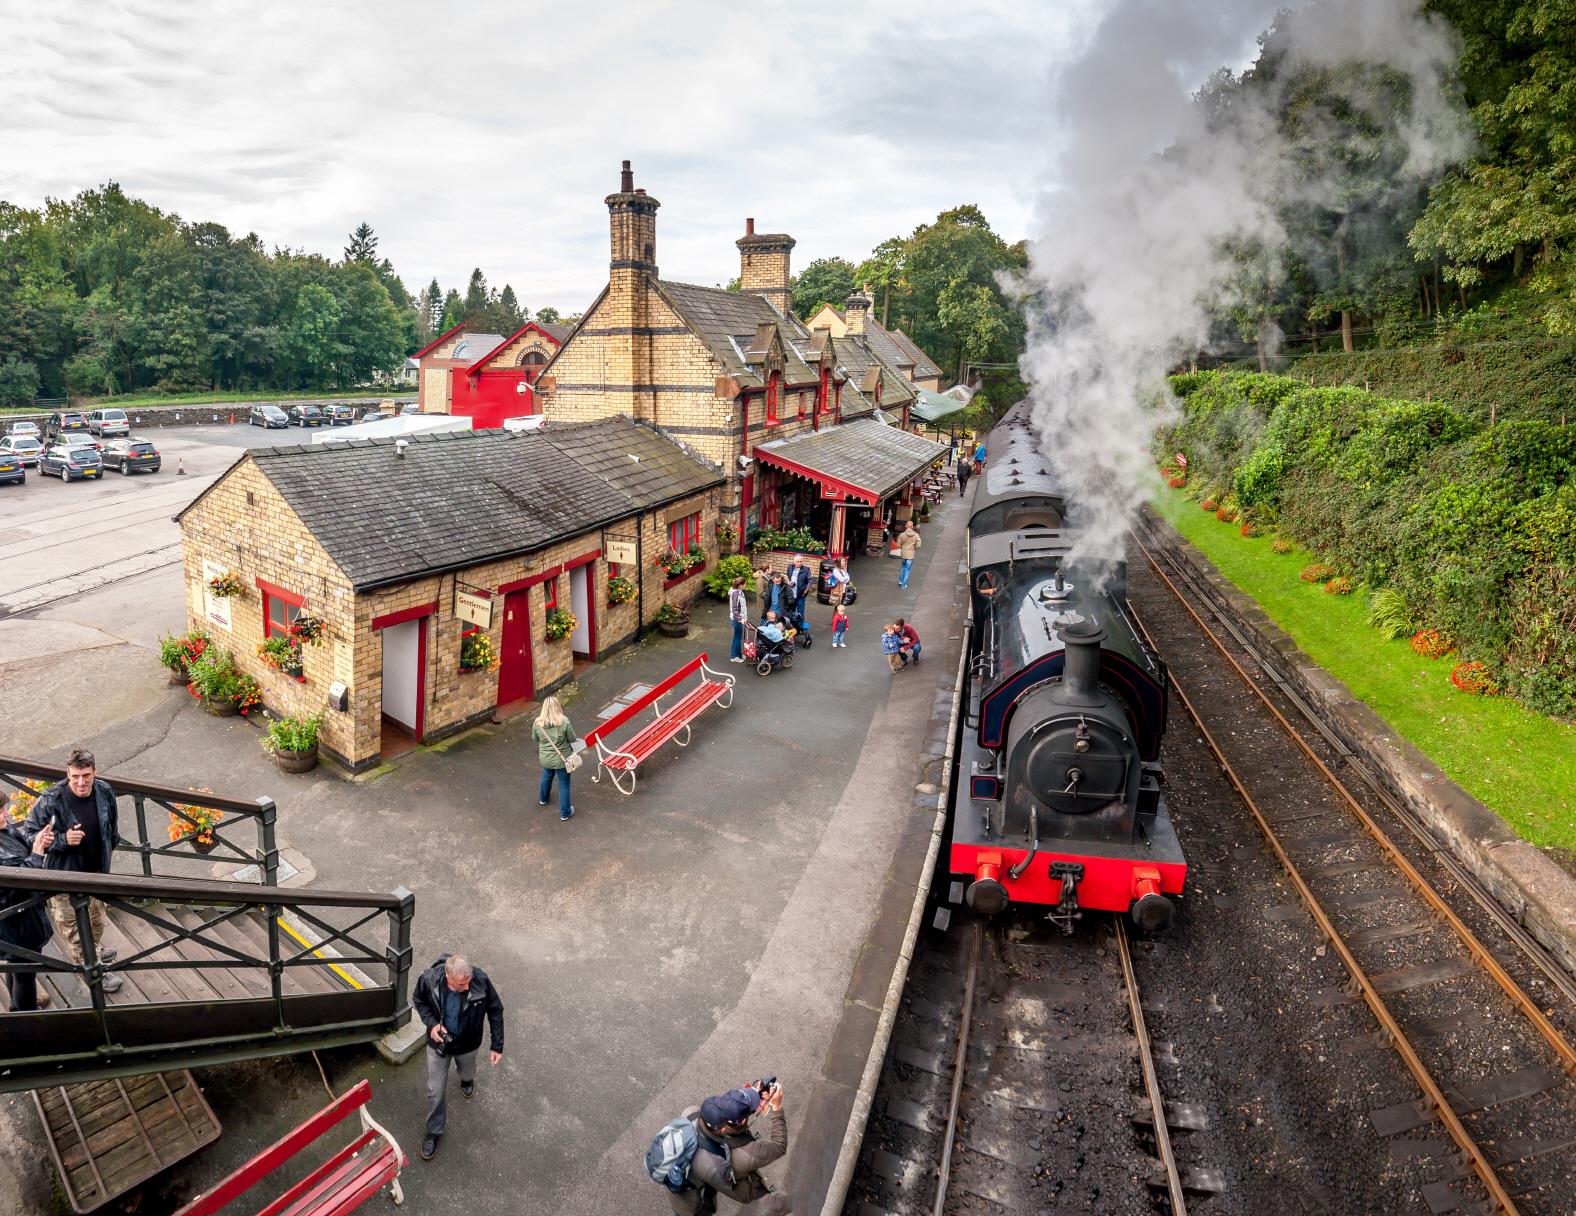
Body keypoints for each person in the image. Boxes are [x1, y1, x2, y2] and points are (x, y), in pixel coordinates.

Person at [20, 747, 122, 993]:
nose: (81, 782)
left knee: (96, 921)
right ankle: (93, 973)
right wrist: (63, 839)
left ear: (94, 772)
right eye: (75, 776)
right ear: (67, 773)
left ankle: (94, 949)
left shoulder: (104, 791)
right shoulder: (51, 800)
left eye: (86, 775)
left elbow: (112, 829)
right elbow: (28, 835)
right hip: (63, 878)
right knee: (77, 931)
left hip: (95, 874)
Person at [412, 953, 505, 1161]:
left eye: (468, 982)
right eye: (461, 985)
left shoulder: (480, 980)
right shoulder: (429, 980)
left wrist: (497, 1046)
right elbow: (418, 1001)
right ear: (447, 978)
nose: (466, 988)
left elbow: (495, 1010)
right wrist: (432, 1024)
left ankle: (466, 1078)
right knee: (435, 1091)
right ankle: (434, 1132)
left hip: (468, 1044)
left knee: (467, 1070)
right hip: (439, 1045)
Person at [665, 1083, 790, 1215]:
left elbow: (730, 1117)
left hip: (678, 1178)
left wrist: (750, 1095)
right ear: (727, 1127)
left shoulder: (691, 1112)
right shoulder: (744, 1154)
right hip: (692, 1203)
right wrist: (777, 1108)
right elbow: (779, 1145)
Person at [1, 821, 56, 1011]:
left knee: (16, 964)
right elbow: (15, 884)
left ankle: (16, 1007)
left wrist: (37, 840)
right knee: (25, 972)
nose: (5, 814)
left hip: (20, 915)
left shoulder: (3, 826)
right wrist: (37, 854)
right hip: (15, 917)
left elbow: (21, 841)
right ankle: (28, 1019)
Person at [531, 696, 577, 821]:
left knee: (546, 776)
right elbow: (573, 738)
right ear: (557, 706)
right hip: (562, 759)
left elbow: (535, 738)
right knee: (564, 784)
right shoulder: (564, 721)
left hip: (545, 758)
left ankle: (543, 799)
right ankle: (565, 812)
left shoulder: (537, 723)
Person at [784, 555, 812, 622]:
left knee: (800, 613)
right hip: (791, 594)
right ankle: (792, 626)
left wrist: (805, 591)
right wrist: (789, 583)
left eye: (800, 561)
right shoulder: (790, 567)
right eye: (797, 561)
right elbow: (787, 577)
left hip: (801, 595)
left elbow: (810, 581)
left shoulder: (806, 569)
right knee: (791, 611)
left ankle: (801, 628)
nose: (799, 563)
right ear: (794, 561)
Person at [728, 577, 749, 664]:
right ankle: (734, 657)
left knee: (737, 637)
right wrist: (741, 619)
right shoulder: (736, 594)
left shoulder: (739, 592)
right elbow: (735, 609)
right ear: (740, 585)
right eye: (745, 584)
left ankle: (738, 655)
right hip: (737, 620)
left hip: (740, 619)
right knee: (737, 638)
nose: (746, 585)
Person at [896, 521, 922, 589]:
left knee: (903, 567)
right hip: (910, 555)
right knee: (907, 569)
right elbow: (919, 545)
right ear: (912, 526)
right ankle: (904, 585)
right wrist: (914, 548)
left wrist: (902, 547)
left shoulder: (902, 535)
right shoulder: (916, 535)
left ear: (906, 526)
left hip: (904, 554)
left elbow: (898, 545)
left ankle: (901, 581)